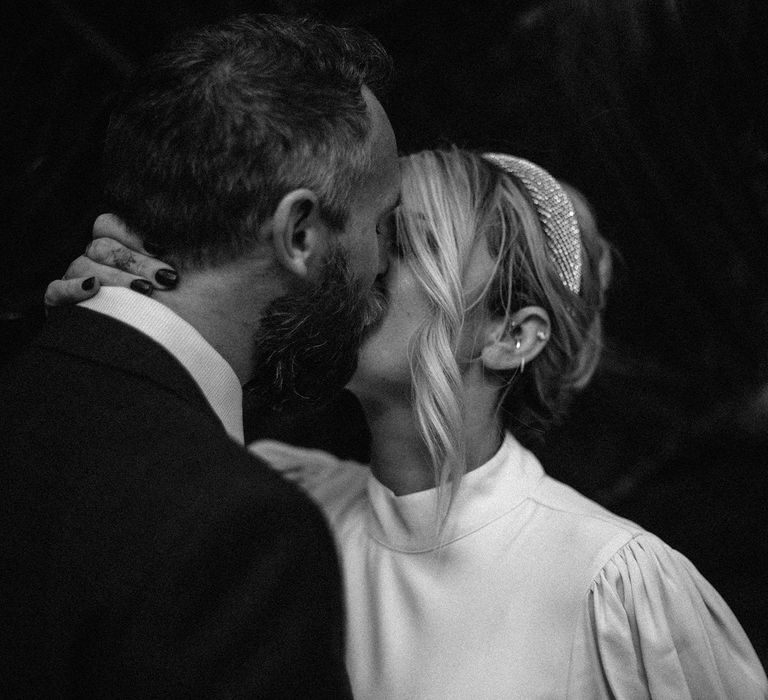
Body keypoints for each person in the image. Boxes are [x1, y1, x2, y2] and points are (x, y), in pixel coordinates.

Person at [62, 147, 768, 698]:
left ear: (511, 336)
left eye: (407, 242)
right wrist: (114, 338)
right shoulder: (274, 499)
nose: (356, 261)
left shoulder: (612, 588)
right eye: (368, 231)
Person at [0, 14, 402, 697]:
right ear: (299, 233)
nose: (387, 265)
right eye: (385, 225)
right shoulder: (237, 530)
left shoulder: (27, 379)